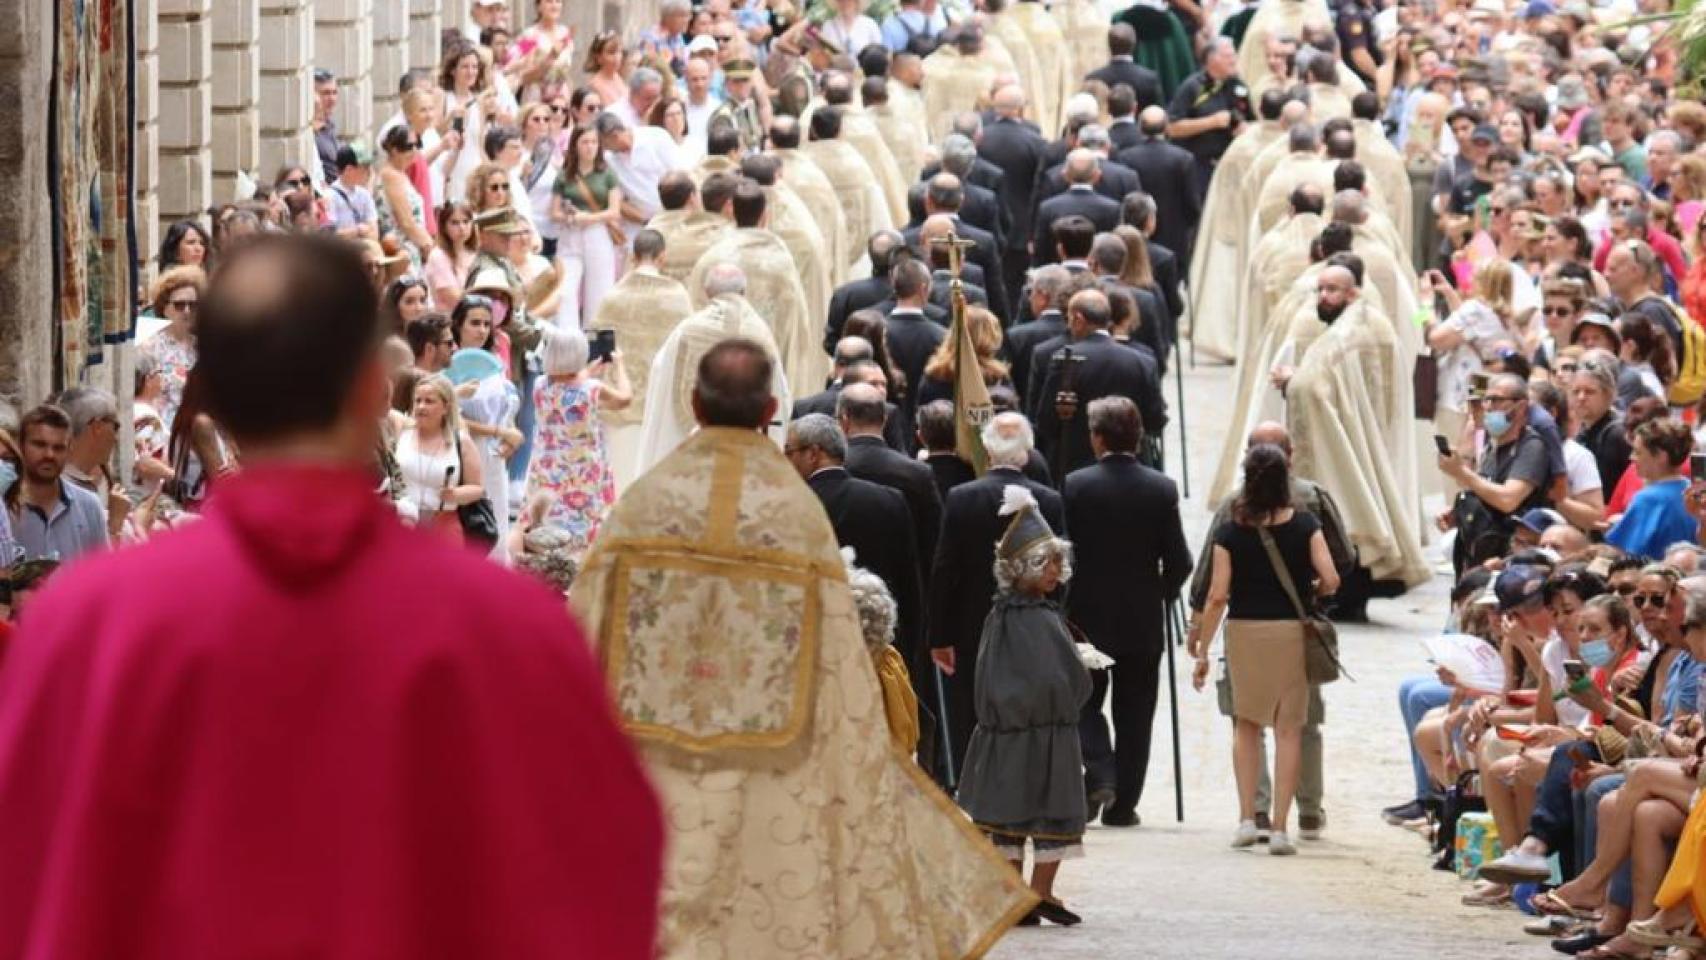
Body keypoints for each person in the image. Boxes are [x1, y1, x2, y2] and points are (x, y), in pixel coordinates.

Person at [0, 234, 665, 957]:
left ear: (212, 394)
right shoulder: (509, 626)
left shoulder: (87, 621)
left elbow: (27, 873)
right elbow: (603, 880)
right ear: (370, 387)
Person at [570, 338, 1034, 957]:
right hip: (771, 758)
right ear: (769, 409)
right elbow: (838, 649)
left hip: (657, 754)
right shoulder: (795, 514)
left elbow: (585, 623)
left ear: (693, 404)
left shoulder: (644, 504)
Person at [1190, 443, 1340, 856]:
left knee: (1247, 726)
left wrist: (1203, 650)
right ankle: (1279, 828)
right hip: (1290, 632)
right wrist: (1309, 590)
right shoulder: (1306, 523)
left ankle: (1244, 819)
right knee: (1290, 728)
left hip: (1243, 631)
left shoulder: (1229, 529)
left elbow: (1218, 596)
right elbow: (1330, 578)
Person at [955, 483, 1091, 927]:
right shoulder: (1028, 619)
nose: (1054, 571)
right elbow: (1058, 677)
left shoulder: (1015, 617)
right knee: (1021, 815)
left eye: (1057, 562)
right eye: (1044, 563)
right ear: (1021, 569)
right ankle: (1026, 891)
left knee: (1022, 812)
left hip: (1028, 731)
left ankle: (1037, 892)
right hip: (1034, 730)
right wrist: (1079, 680)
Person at [1065, 396, 1192, 827]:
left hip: (1086, 618)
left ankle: (1100, 768)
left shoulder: (1077, 485)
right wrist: (1159, 593)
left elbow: (1066, 557)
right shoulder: (1160, 488)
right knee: (1136, 714)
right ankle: (1124, 806)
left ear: (1098, 438)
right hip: (1141, 619)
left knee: (1081, 701)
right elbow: (1180, 561)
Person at [931, 412, 1068, 772]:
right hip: (1033, 625)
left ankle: (972, 780)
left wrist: (940, 635)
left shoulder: (961, 498)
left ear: (987, 449)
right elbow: (1062, 572)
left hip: (970, 623)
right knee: (1025, 707)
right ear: (1027, 453)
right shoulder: (1049, 501)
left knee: (971, 709)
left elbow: (945, 569)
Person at [785, 413, 925, 707]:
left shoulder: (789, 506)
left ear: (813, 454)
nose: (786, 461)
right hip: (876, 653)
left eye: (790, 452)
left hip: (809, 657)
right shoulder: (889, 501)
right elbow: (909, 584)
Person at [633, 263, 791, 475]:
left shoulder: (687, 331)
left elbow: (661, 376)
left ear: (706, 292)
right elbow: (781, 395)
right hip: (751, 456)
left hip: (689, 456)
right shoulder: (760, 332)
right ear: (744, 292)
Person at [686, 182, 824, 394]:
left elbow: (695, 309)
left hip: (720, 369)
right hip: (767, 366)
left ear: (732, 210)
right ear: (765, 216)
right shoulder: (780, 261)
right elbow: (796, 320)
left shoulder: (711, 257)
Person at [589, 229, 695, 490]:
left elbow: (597, 351)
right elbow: (688, 348)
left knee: (622, 478)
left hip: (622, 404)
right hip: (662, 401)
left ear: (634, 257)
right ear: (662, 257)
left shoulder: (612, 297)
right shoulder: (677, 297)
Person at [1030, 288, 1166, 480]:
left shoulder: (1063, 360)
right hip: (1133, 470)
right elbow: (1155, 420)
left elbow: (1046, 422)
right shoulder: (1143, 362)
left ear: (1078, 319)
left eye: (1069, 319)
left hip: (1075, 468)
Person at [523, 326, 631, 561]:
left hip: (548, 469)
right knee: (582, 526)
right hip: (582, 471)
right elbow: (624, 399)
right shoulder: (591, 389)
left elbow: (566, 387)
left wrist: (588, 372)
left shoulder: (541, 385)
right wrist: (620, 365)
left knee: (547, 523)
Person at [1439, 372, 1553, 572]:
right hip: (1476, 553)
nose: (1488, 407)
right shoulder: (1492, 445)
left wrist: (1461, 473)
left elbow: (1508, 500)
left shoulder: (1531, 446)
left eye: (1496, 400)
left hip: (1509, 557)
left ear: (1521, 407)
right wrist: (1462, 511)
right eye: (1486, 400)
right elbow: (1483, 488)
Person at [8, 405, 108, 564]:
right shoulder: (6, 508)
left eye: (58, 448)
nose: (49, 455)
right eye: (39, 445)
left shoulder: (89, 506)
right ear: (20, 446)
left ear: (69, 450)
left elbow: (102, 571)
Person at [396, 373, 487, 543]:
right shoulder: (402, 432)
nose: (421, 406)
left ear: (446, 407)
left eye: (429, 401)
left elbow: (477, 488)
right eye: (418, 400)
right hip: (400, 522)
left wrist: (456, 494)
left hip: (443, 526)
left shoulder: (461, 441)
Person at [553, 123, 625, 324]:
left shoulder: (607, 174)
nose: (590, 147)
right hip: (571, 232)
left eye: (594, 142)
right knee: (565, 288)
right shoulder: (565, 175)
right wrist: (569, 217)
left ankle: (596, 341)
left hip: (598, 232)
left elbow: (614, 210)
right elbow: (554, 211)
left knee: (600, 291)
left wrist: (588, 218)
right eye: (585, 142)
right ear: (575, 145)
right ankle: (568, 338)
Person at [1165, 37, 1252, 200]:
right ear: (1213, 59)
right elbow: (1172, 128)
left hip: (1232, 167)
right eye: (1228, 56)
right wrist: (1212, 122)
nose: (1234, 60)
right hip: (1200, 168)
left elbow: (1252, 120)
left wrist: (1246, 129)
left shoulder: (1238, 85)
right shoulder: (1192, 87)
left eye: (1234, 55)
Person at [1607, 418, 1699, 561]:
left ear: (1661, 457)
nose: (1631, 457)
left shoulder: (1648, 498)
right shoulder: (1693, 491)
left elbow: (1624, 552)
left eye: (1638, 452)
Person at [138, 265, 204, 432]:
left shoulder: (204, 347)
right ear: (165, 308)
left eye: (193, 305)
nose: (187, 311)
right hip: (163, 435)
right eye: (179, 305)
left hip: (199, 435)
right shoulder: (149, 347)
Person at [326, 143, 379, 240]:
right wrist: (357, 231)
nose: (369, 172)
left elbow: (374, 233)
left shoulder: (364, 195)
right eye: (365, 168)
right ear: (349, 170)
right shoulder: (330, 196)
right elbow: (329, 235)